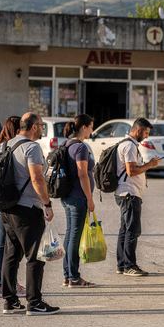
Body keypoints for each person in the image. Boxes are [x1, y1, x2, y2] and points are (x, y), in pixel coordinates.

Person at [0, 112, 59, 315]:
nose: (42, 128)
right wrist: (47, 204)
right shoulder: (32, 147)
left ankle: (10, 301)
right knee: (35, 257)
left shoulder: (7, 144)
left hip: (8, 207)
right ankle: (34, 303)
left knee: (11, 255)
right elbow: (37, 179)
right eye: (41, 125)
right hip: (28, 209)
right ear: (33, 127)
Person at [115, 118, 162, 276]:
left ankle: (122, 265)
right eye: (146, 133)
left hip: (127, 193)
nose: (146, 136)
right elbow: (131, 171)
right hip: (129, 193)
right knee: (132, 230)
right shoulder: (129, 146)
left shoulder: (127, 144)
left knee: (125, 229)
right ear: (137, 130)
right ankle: (129, 265)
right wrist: (150, 165)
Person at [0, 115, 26, 298]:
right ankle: (7, 284)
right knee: (11, 242)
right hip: (11, 199)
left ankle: (0, 283)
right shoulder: (17, 146)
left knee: (1, 241)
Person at [60, 114, 97, 288]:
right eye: (91, 126)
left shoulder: (66, 144)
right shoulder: (80, 147)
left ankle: (68, 275)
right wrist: (90, 198)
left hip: (67, 195)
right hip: (78, 197)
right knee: (74, 236)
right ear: (83, 127)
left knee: (70, 235)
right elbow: (83, 173)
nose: (92, 130)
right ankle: (74, 277)